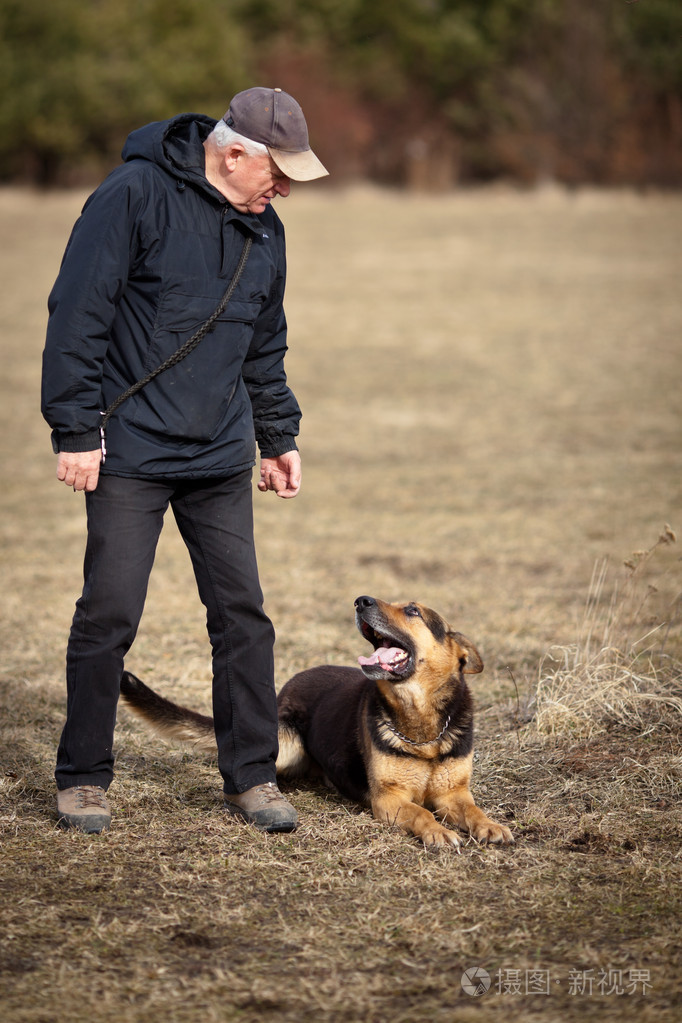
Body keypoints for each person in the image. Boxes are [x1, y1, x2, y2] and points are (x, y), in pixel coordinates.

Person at [41, 87, 328, 835]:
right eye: (278, 172)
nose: (286, 188)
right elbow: (78, 312)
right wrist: (75, 429)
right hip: (129, 451)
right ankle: (82, 778)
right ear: (234, 154)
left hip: (220, 454)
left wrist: (278, 436)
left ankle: (253, 775)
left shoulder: (268, 232)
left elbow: (265, 344)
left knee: (243, 617)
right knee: (108, 613)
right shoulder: (133, 195)